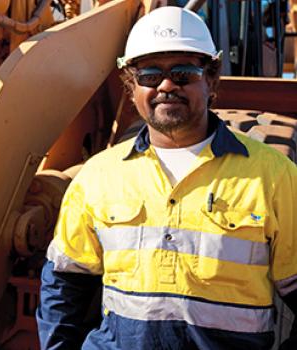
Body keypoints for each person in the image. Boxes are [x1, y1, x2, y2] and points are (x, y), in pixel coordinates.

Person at [37, 6, 297, 350]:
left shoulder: (274, 176)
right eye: (149, 75)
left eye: (184, 73)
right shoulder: (98, 176)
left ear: (211, 81)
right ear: (132, 88)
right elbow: (65, 284)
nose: (165, 86)